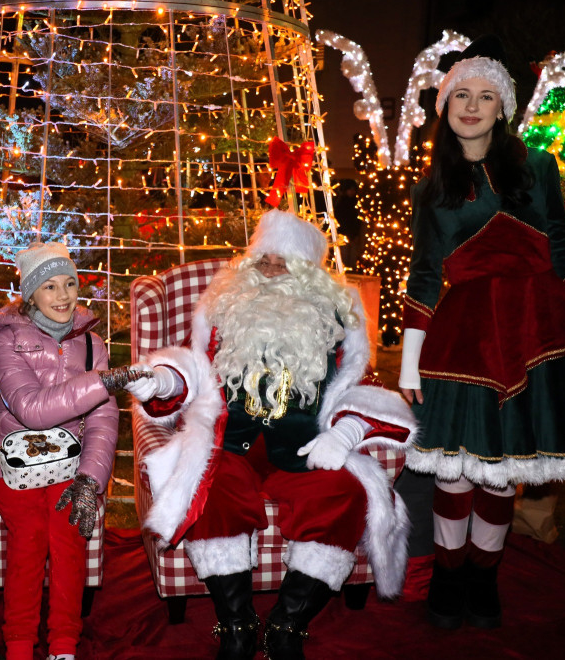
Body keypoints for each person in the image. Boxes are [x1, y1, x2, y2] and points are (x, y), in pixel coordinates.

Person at [398, 35, 565, 630]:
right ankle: (448, 574)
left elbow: (564, 250)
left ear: (503, 108)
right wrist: (408, 366)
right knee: (456, 469)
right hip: (463, 339)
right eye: (461, 94)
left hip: (535, 331)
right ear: (445, 105)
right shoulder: (431, 187)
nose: (472, 105)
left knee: (502, 467)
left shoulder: (537, 166)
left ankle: (483, 578)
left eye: (485, 96)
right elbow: (425, 275)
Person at [127, 209, 418, 660]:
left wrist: (344, 433)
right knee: (210, 491)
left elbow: (363, 387)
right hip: (230, 445)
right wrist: (163, 380)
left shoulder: (336, 320)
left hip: (302, 449)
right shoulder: (224, 307)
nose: (270, 269)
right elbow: (192, 367)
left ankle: (287, 625)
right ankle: (238, 625)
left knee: (344, 495)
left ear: (309, 272)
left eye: (284, 262)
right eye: (263, 259)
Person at [0, 241, 130, 660]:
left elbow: (103, 419)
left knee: (68, 534)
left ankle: (63, 644)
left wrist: (89, 478)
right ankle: (19, 644)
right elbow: (31, 410)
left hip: (71, 460)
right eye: (50, 286)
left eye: (70, 284)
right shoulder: (8, 340)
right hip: (13, 459)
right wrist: (100, 383)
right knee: (30, 536)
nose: (63, 296)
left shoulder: (93, 344)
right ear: (30, 294)